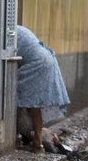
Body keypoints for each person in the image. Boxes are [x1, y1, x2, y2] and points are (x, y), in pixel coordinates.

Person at [16, 25, 70, 153]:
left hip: (37, 62)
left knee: (18, 95)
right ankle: (38, 141)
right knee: (34, 103)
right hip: (47, 58)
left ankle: (33, 140)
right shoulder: (19, 30)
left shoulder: (7, 34)